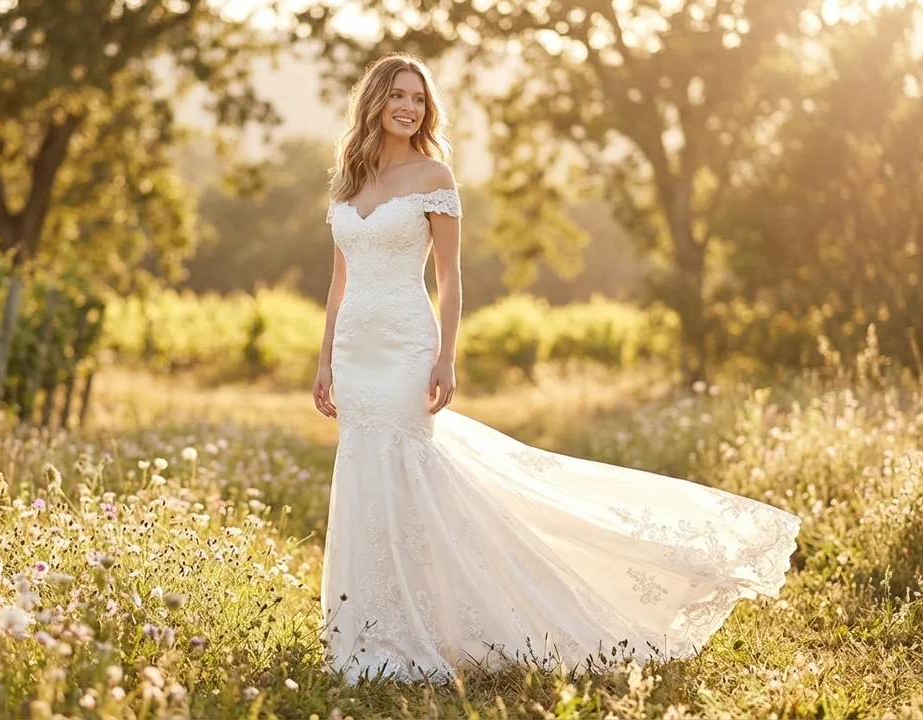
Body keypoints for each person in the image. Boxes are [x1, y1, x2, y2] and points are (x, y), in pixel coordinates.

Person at [313, 52, 801, 684]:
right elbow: (337, 281)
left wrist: (446, 354)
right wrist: (324, 359)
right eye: (398, 95)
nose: (408, 106)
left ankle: (433, 624)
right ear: (374, 100)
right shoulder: (348, 183)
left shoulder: (435, 175)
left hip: (408, 344)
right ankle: (367, 626)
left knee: (411, 467)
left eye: (418, 97)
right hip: (355, 351)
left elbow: (451, 276)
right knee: (363, 471)